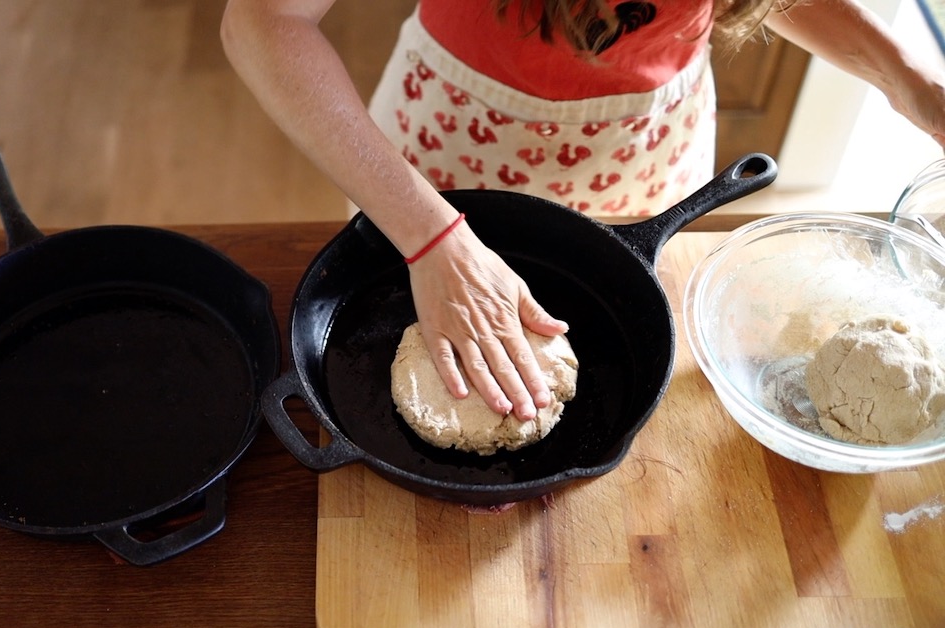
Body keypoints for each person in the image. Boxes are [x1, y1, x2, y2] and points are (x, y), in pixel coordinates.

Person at [221, 0, 945, 423]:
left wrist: (909, 79)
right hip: (446, 158)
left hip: (649, 149)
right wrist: (429, 233)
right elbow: (263, 20)